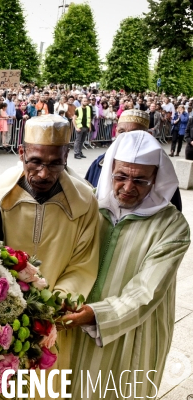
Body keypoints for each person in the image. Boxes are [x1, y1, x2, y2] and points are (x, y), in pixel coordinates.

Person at [68, 131, 191, 399]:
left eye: (140, 180)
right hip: (78, 321)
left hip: (134, 328)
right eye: (121, 176)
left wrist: (97, 314)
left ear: (156, 179)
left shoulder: (172, 226)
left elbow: (148, 290)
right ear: (110, 169)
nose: (127, 187)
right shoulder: (91, 208)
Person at [0, 114, 100, 394]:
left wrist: (52, 305)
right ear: (21, 152)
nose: (44, 174)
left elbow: (82, 265)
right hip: (2, 315)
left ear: (66, 156)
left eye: (54, 163)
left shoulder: (84, 202)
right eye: (35, 161)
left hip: (52, 319)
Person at [84, 109, 183, 211]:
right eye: (121, 132)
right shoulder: (99, 163)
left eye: (134, 133)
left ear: (147, 135)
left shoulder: (161, 168)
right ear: (116, 131)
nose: (126, 137)